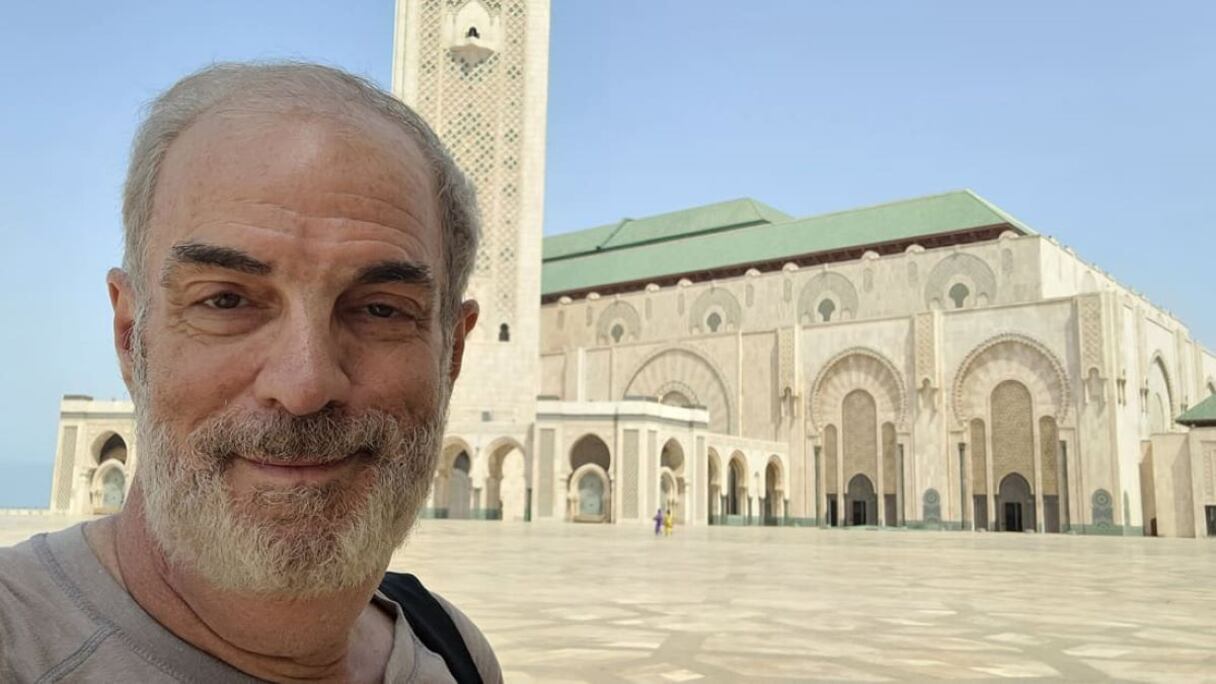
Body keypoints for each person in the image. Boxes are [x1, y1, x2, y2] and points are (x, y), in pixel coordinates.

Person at [0, 62, 501, 683]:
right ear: (131, 336)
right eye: (227, 301)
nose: (304, 385)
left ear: (452, 353)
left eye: (379, 309)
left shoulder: (451, 653)